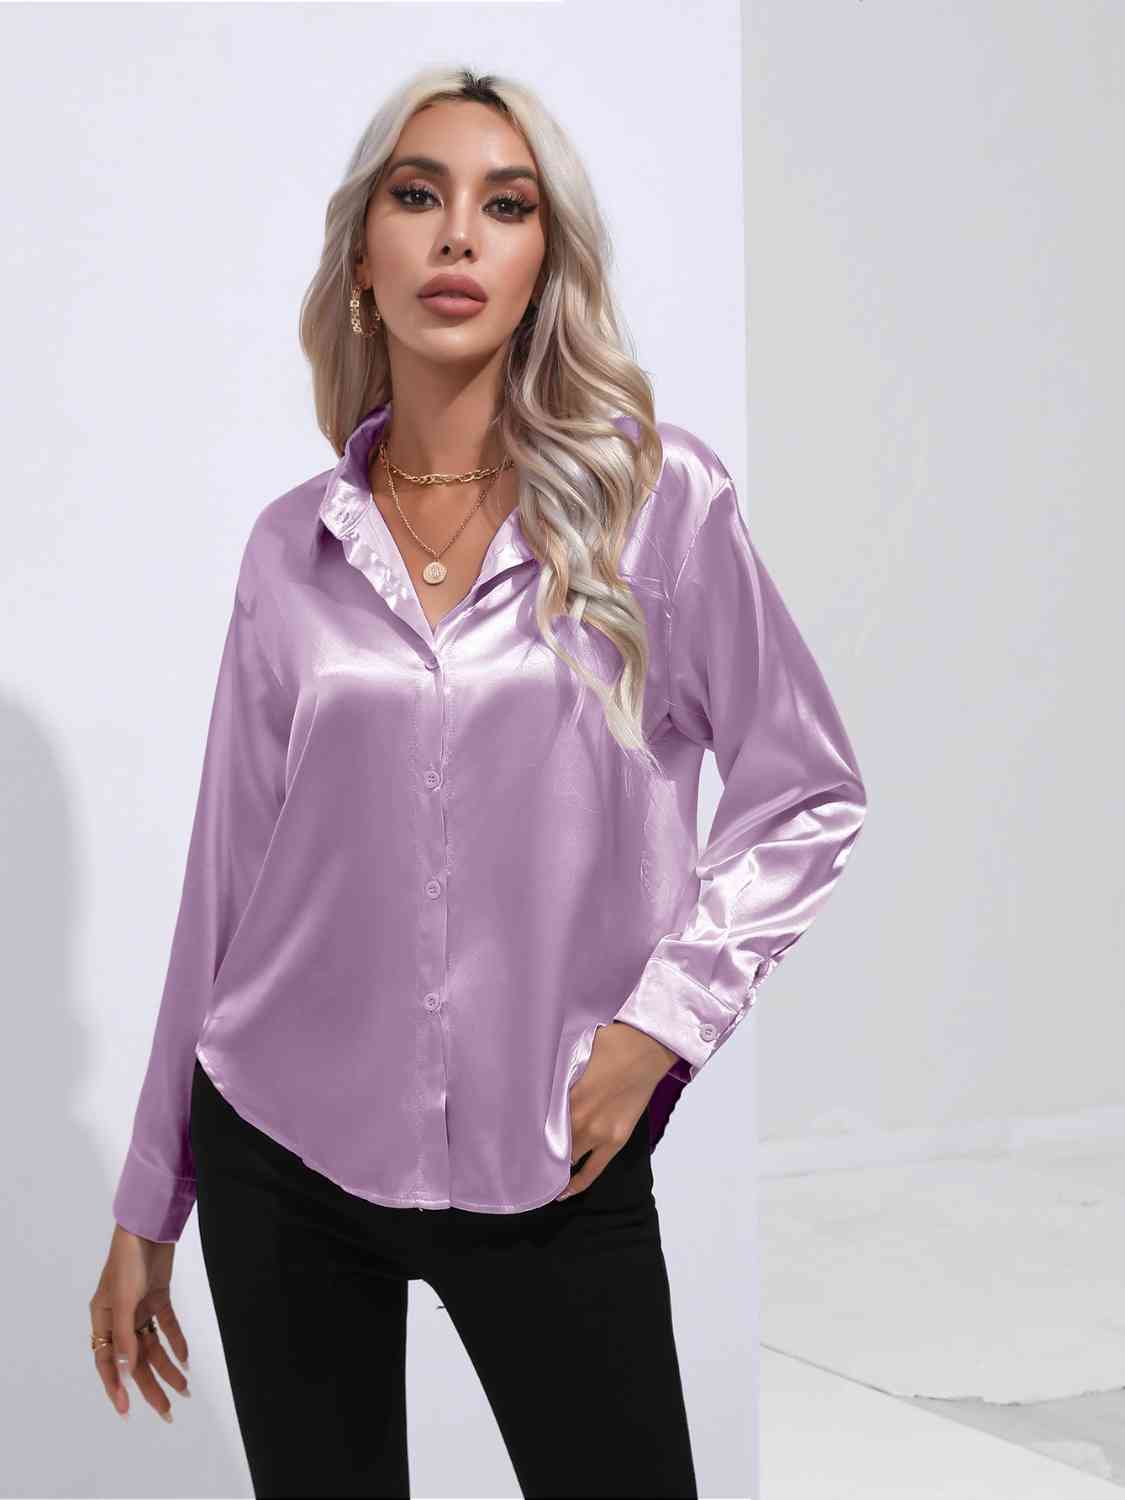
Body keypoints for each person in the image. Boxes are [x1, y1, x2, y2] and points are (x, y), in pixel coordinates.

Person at [88, 65, 868, 1499]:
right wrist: (154, 1197)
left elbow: (805, 790)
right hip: (281, 1150)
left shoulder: (656, 504)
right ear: (362, 258)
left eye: (505, 206)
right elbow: (226, 881)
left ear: (543, 262)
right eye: (418, 195)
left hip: (551, 1153)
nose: (458, 233)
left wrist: (660, 1026)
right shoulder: (289, 551)